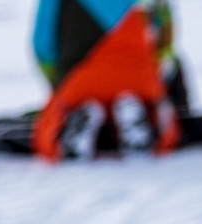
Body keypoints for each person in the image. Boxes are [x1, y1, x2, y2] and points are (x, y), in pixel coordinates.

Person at [30, 0, 188, 160]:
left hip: (78, 82)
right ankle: (143, 120)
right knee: (166, 113)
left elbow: (42, 46)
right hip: (138, 78)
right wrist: (157, 75)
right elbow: (165, 36)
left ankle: (73, 123)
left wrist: (58, 86)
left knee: (46, 127)